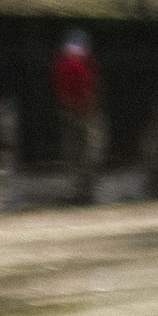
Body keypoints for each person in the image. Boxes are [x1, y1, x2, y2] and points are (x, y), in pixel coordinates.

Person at [50, 29, 103, 204]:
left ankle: (76, 190)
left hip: (67, 111)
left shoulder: (59, 65)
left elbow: (59, 90)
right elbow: (90, 89)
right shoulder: (83, 66)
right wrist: (89, 108)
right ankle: (87, 192)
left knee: (72, 152)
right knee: (90, 151)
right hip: (85, 113)